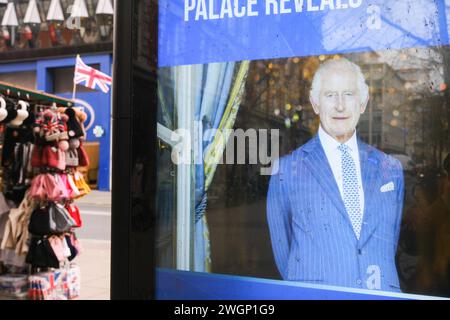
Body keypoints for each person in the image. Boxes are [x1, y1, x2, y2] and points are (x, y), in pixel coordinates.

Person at [267, 58, 405, 292]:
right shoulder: (286, 171)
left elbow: (387, 242)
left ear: (363, 103)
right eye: (330, 95)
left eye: (349, 94)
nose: (340, 105)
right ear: (315, 103)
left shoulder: (390, 169)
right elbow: (284, 251)